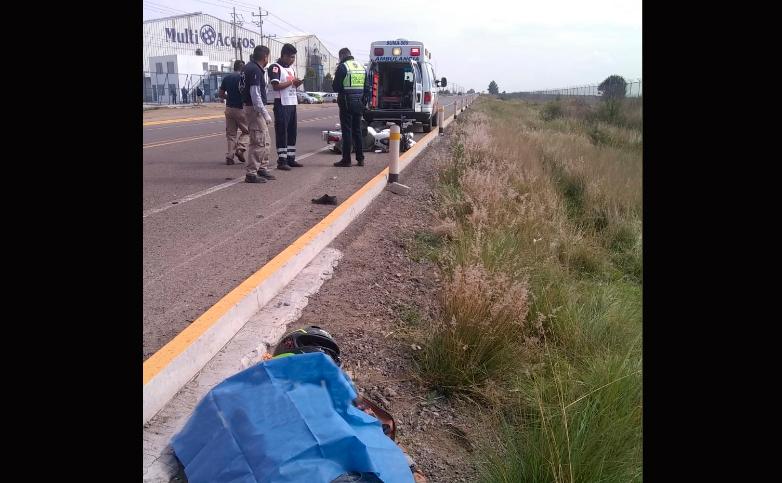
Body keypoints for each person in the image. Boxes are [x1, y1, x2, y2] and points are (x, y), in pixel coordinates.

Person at [240, 45, 276, 183]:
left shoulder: (248, 68)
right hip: (254, 109)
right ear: (265, 57)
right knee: (259, 142)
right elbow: (255, 94)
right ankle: (251, 173)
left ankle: (262, 168)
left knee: (265, 140)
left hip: (253, 108)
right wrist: (264, 112)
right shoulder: (255, 70)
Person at [268, 43, 304, 170]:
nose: (292, 60)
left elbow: (291, 85)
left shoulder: (291, 69)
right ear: (283, 55)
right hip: (281, 103)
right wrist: (291, 82)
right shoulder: (275, 67)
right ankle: (282, 160)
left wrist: (296, 83)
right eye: (290, 57)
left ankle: (291, 158)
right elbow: (276, 86)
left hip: (292, 103)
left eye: (294, 57)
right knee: (282, 132)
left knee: (292, 132)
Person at [332, 48, 368, 167]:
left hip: (346, 103)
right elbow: (367, 87)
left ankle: (346, 160)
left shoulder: (343, 67)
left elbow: (336, 87)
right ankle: (360, 159)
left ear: (342, 55)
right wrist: (363, 102)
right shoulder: (361, 67)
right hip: (359, 102)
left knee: (347, 131)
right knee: (357, 131)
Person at [218, 60, 249, 166]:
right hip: (241, 109)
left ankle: (229, 157)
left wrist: (229, 97)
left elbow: (221, 94)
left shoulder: (227, 78)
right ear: (243, 68)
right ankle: (240, 148)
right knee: (247, 131)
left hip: (229, 108)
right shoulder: (243, 78)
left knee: (231, 134)